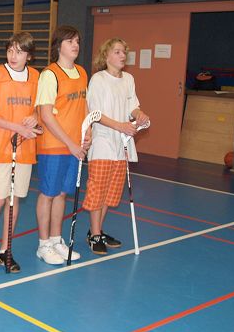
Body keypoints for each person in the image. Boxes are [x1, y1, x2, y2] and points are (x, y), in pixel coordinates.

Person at [0, 32, 42, 274]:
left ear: (29, 56)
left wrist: (34, 116)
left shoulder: (36, 77)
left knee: (13, 201)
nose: (13, 56)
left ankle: (5, 250)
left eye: (19, 52)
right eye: (10, 50)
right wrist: (16, 127)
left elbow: (41, 109)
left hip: (25, 148)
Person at [84, 38, 150, 255]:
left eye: (124, 52)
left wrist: (139, 114)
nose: (123, 56)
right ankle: (95, 235)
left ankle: (97, 231)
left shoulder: (128, 79)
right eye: (117, 52)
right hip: (102, 143)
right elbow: (95, 113)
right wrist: (121, 126)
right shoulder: (98, 79)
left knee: (110, 193)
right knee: (98, 190)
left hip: (121, 145)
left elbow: (132, 105)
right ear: (106, 56)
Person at [34, 25, 89, 266]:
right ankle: (43, 244)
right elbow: (46, 115)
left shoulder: (82, 72)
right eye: (70, 41)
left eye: (77, 41)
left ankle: (56, 240)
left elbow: (84, 107)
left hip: (75, 146)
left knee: (62, 194)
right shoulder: (50, 75)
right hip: (55, 145)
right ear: (58, 46)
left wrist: (88, 132)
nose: (75, 45)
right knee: (48, 193)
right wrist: (70, 143)